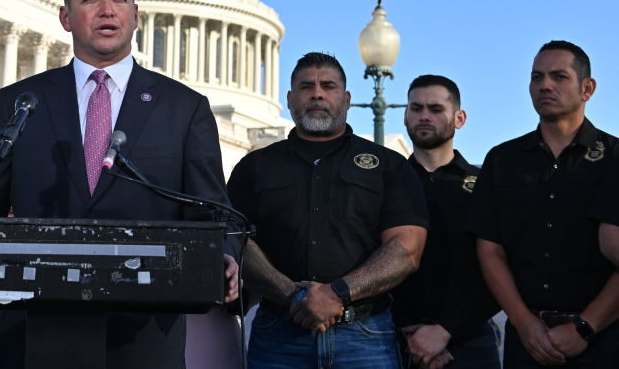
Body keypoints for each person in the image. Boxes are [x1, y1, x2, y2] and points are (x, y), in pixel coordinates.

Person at [0, 0, 238, 369]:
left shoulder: (184, 109)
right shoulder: (22, 102)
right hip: (34, 330)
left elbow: (214, 212)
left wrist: (224, 252)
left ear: (135, 16)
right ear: (66, 17)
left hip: (142, 336)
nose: (107, 9)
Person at [227, 52, 428, 369]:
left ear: (347, 99)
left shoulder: (388, 166)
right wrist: (293, 296)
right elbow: (235, 240)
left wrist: (338, 294)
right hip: (278, 335)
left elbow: (407, 250)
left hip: (365, 335)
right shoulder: (255, 167)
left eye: (328, 86)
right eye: (306, 86)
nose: (317, 93)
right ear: (291, 99)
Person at [468, 41, 619, 367]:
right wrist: (523, 323)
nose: (545, 85)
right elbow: (489, 249)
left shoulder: (616, 158)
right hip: (528, 341)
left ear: (587, 88)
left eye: (559, 76)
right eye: (537, 77)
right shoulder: (502, 160)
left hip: (606, 339)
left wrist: (586, 326)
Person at [395, 75, 500, 369]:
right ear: (405, 116)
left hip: (472, 339)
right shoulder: (386, 185)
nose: (424, 116)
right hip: (396, 340)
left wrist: (446, 331)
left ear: (459, 118)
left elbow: (502, 265)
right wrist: (412, 333)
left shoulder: (484, 186)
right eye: (416, 108)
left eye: (435, 109)